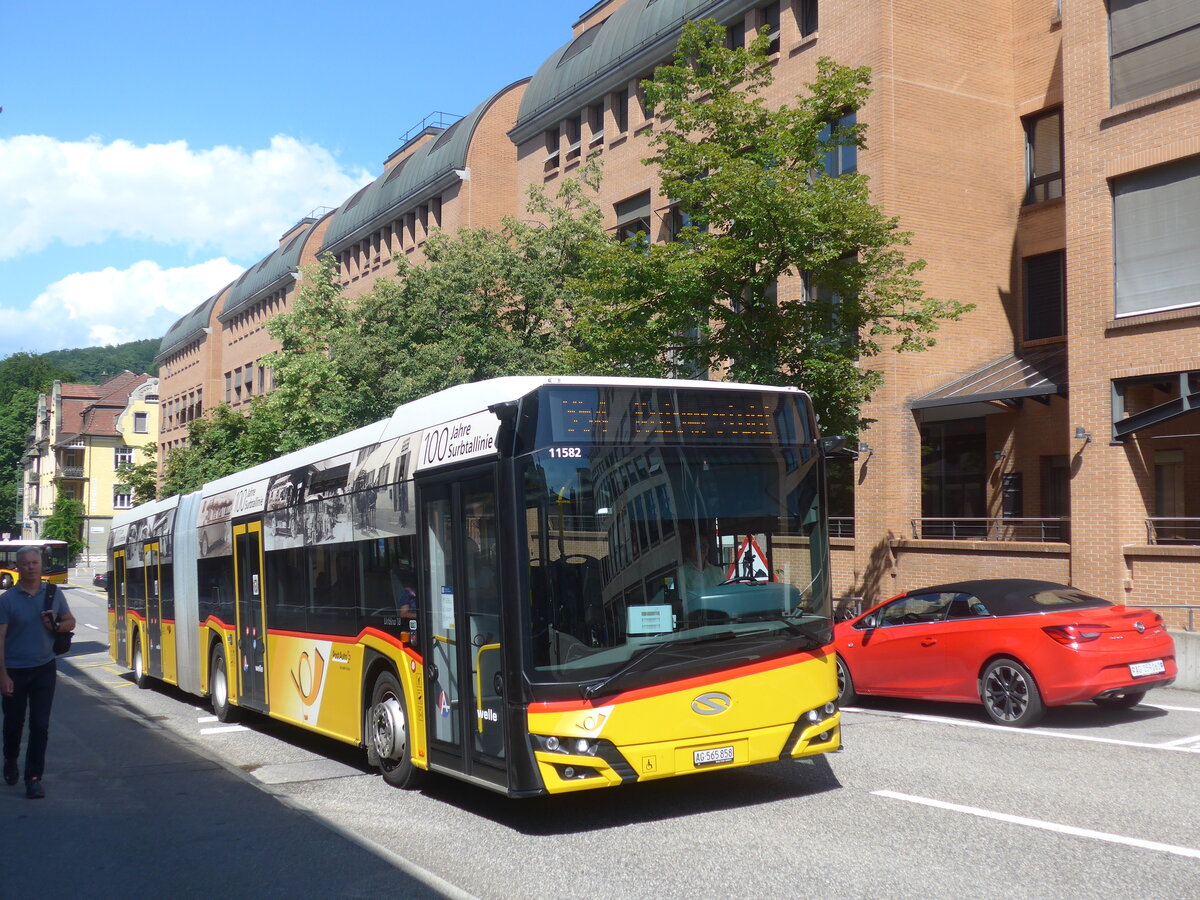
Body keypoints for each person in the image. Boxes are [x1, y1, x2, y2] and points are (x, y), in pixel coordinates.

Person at [0, 546, 74, 799]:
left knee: (40, 725)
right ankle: (10, 759)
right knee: (13, 725)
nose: (31, 567)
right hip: (14, 670)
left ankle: (33, 778)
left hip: (44, 668)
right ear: (18, 567)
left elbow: (69, 622)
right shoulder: (7, 600)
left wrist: (56, 622)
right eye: (25, 564)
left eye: (34, 562)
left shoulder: (53, 593)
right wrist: (3, 675)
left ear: (41, 565)